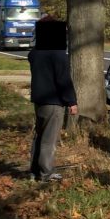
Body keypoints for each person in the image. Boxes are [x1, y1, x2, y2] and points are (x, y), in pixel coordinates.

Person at [28, 18, 77, 182]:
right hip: (54, 101)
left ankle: (34, 170)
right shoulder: (57, 54)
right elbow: (63, 80)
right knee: (49, 139)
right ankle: (46, 172)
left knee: (39, 135)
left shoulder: (34, 53)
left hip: (38, 99)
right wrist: (71, 101)